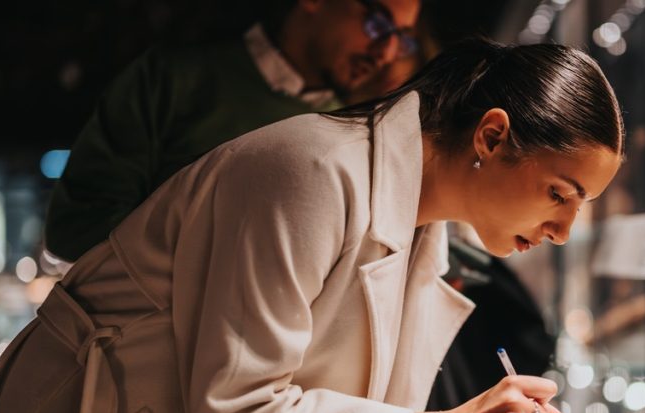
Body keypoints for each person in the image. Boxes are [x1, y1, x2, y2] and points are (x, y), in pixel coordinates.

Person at [0, 39, 623, 413]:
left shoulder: (422, 231)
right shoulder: (312, 171)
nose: (562, 228)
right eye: (560, 194)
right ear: (493, 137)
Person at [45, 0, 421, 262]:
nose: (386, 52)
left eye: (402, 37)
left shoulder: (358, 132)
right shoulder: (173, 81)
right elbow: (77, 228)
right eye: (377, 24)